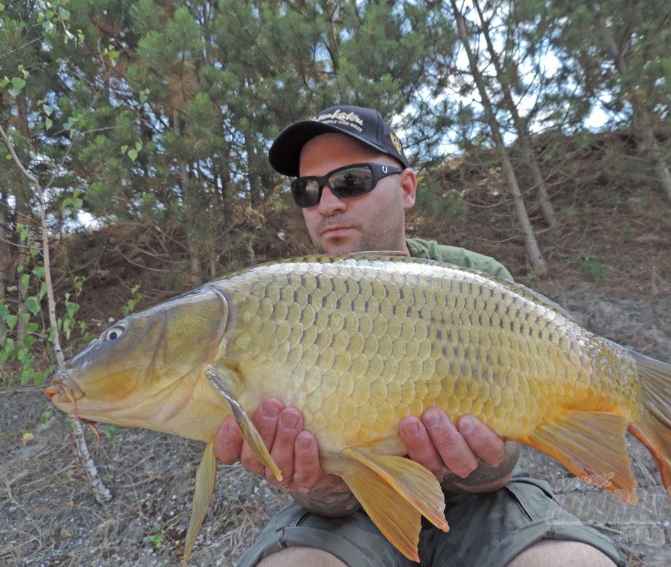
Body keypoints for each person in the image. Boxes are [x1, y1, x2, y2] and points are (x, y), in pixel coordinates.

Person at [214, 105, 625, 567]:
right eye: (307, 191)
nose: (327, 204)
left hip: (477, 504)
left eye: (351, 181)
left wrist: (471, 464)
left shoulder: (477, 279)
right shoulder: (287, 303)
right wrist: (312, 483)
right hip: (353, 514)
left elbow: (501, 466)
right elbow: (329, 500)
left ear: (406, 188)